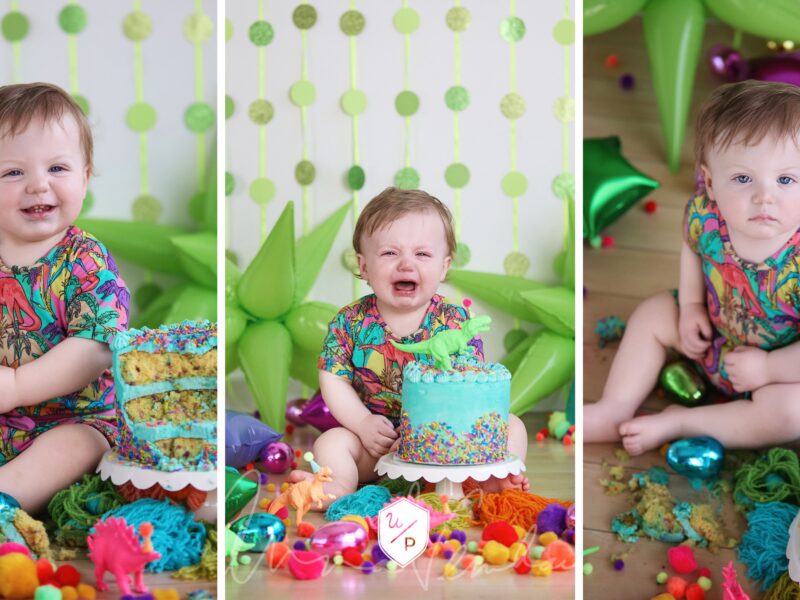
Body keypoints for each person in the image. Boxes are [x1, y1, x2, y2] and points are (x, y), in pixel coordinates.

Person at [585, 80, 800, 455]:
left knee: (792, 413)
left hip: (779, 373)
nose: (765, 195)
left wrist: (768, 368)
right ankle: (613, 409)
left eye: (786, 179)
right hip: (711, 338)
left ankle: (681, 422)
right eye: (743, 178)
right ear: (712, 183)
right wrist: (690, 306)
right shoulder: (706, 214)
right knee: (653, 312)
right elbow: (693, 246)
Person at [288, 187, 529, 504]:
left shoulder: (455, 322)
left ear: (443, 267)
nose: (406, 264)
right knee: (332, 442)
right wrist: (362, 424)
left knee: (513, 426)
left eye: (423, 254)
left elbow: (467, 385)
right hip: (374, 445)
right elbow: (333, 377)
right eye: (389, 253)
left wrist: (432, 435)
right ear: (363, 266)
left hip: (444, 446)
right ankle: (339, 488)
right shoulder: (350, 322)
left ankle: (491, 480)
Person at [0, 83, 129, 512]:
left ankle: (7, 494)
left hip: (78, 416)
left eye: (57, 168)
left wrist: (18, 386)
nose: (38, 186)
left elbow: (96, 347)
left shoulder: (84, 259)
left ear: (85, 177)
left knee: (74, 447)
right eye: (13, 173)